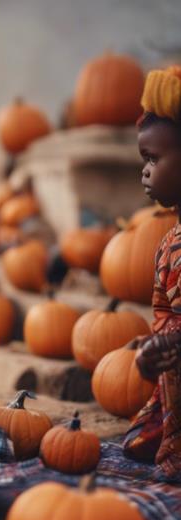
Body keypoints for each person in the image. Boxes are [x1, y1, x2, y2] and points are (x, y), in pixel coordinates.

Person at [124, 65, 181, 477]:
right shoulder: (169, 239)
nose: (145, 170)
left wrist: (169, 344)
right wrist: (157, 346)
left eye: (153, 159)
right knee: (139, 439)